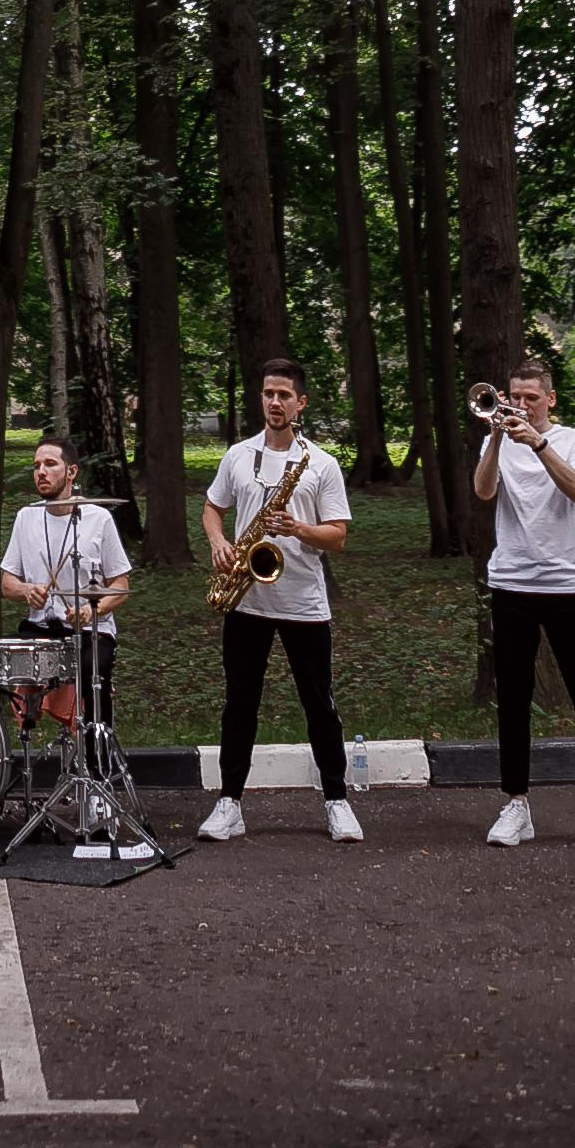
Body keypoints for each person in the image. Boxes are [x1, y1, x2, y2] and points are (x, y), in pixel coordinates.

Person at [198, 356, 363, 846]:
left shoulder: (321, 464)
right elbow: (212, 508)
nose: (275, 402)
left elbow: (338, 537)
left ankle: (337, 801)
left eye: (284, 395)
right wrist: (219, 543)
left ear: (301, 403)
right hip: (246, 600)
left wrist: (298, 529)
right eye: (269, 393)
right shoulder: (237, 455)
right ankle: (230, 803)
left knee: (319, 704)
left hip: (303, 604)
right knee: (239, 704)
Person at [476, 354, 575, 854]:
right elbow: (483, 492)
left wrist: (538, 443)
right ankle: (516, 805)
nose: (520, 405)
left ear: (550, 400)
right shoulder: (494, 437)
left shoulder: (574, 439)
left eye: (530, 398)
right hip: (512, 584)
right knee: (514, 701)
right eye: (513, 398)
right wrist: (499, 435)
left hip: (566, 585)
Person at [0, 434, 130, 745]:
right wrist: (26, 590)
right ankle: (12, 763)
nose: (40, 472)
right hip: (40, 629)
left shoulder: (99, 519)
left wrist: (89, 610)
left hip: (91, 631)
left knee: (91, 670)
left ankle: (97, 767)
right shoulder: (26, 517)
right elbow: (7, 583)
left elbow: (121, 585)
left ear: (71, 472)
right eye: (36, 466)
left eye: (49, 464)